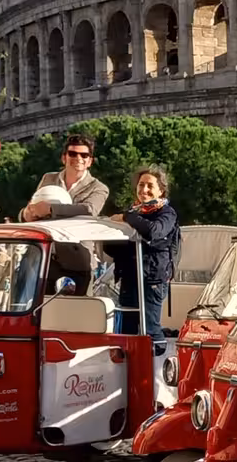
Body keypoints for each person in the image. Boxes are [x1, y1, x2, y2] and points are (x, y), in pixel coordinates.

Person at [119, 166, 180, 337]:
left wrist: (126, 217)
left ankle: (156, 362)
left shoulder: (167, 213)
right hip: (130, 277)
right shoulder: (134, 211)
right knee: (127, 331)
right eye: (140, 185)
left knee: (150, 330)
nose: (144, 190)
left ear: (161, 191)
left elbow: (154, 231)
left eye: (149, 186)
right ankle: (128, 363)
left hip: (152, 279)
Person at [23, 133, 109, 219]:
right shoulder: (48, 178)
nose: (78, 158)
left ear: (90, 161)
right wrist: (25, 214)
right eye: (72, 154)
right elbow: (32, 205)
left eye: (84, 155)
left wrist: (51, 209)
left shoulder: (98, 188)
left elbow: (90, 210)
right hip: (46, 230)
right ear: (64, 158)